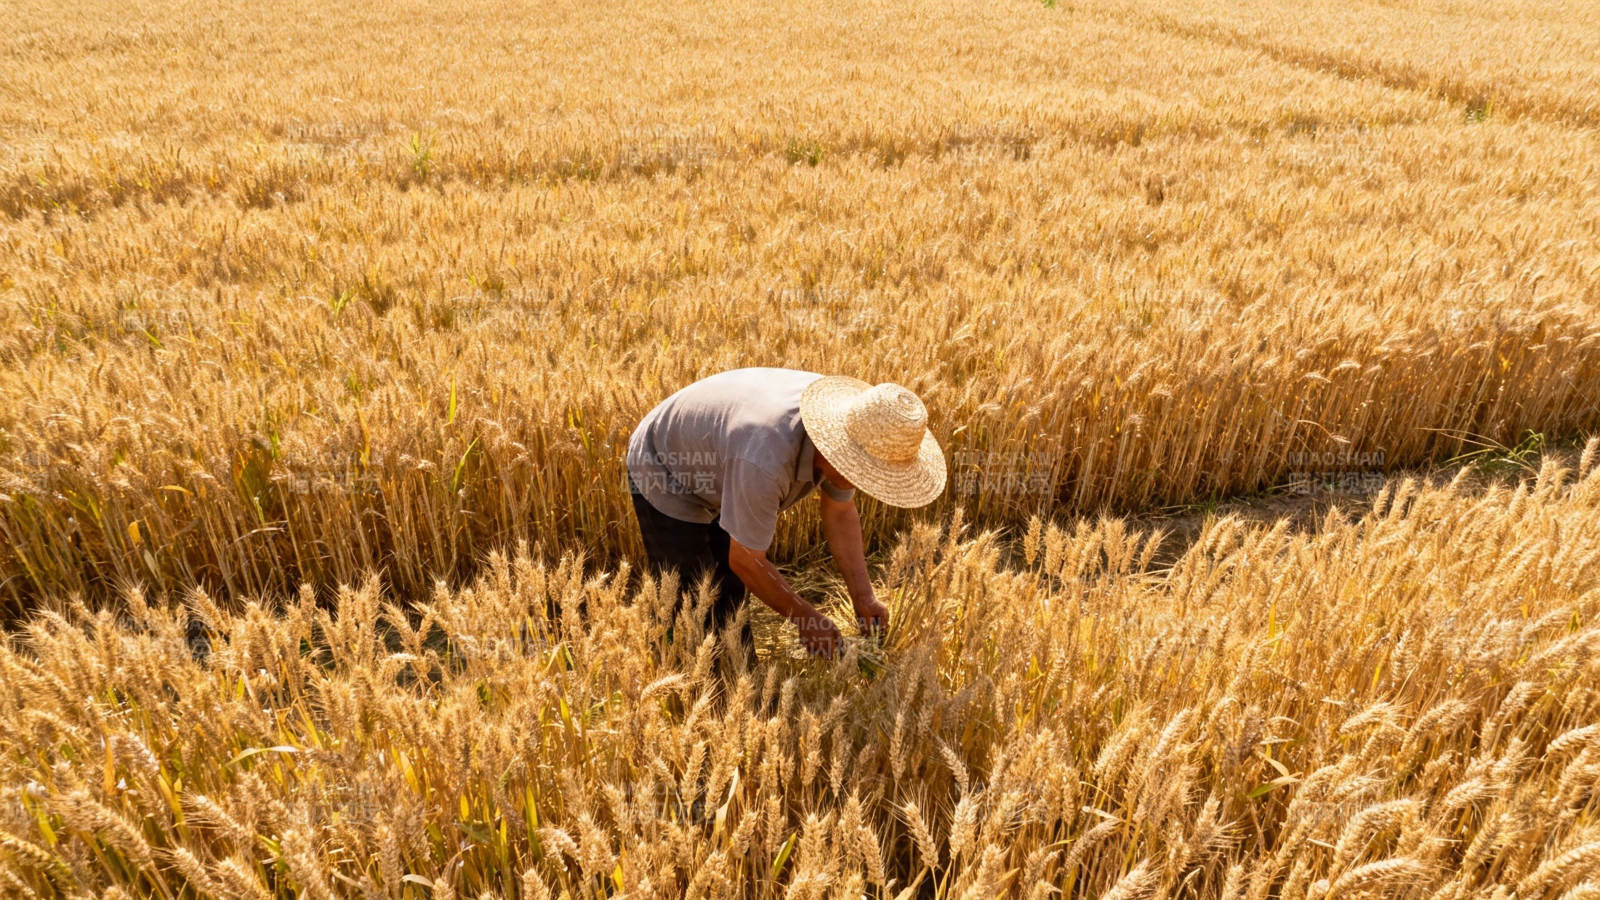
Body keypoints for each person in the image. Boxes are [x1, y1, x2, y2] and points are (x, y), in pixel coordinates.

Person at [625, 368, 946, 660]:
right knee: (693, 598)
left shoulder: (856, 429)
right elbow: (747, 559)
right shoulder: (766, 460)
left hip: (725, 455)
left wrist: (863, 597)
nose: (866, 480)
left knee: (729, 594)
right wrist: (805, 617)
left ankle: (735, 674)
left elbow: (839, 510)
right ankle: (680, 672)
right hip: (664, 464)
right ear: (839, 447)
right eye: (863, 471)